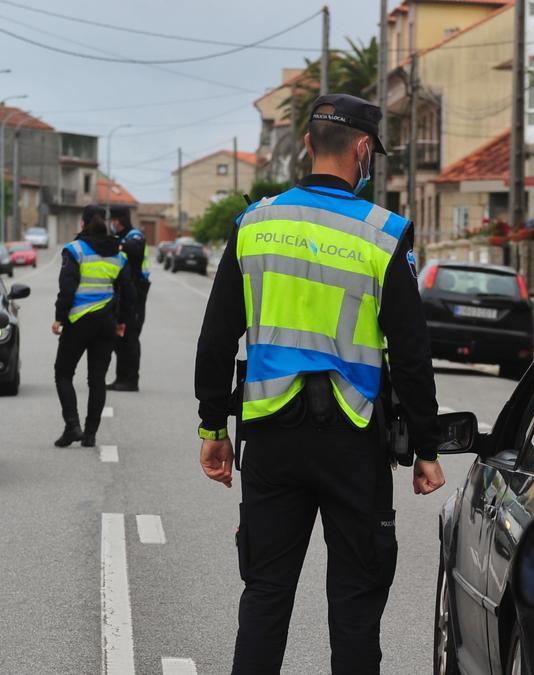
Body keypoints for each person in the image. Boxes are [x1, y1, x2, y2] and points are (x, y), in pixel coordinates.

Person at [194, 93, 447, 674]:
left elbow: (215, 340)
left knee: (264, 596)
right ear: (363, 148)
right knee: (356, 606)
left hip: (271, 439)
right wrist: (427, 448)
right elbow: (411, 354)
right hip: (353, 441)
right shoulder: (385, 235)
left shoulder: (254, 224)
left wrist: (213, 426)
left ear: (308, 145)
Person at [52, 205, 134, 447]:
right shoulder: (118, 254)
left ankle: (72, 425)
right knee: (97, 379)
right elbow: (128, 293)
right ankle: (90, 434)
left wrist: (59, 317)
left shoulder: (75, 250)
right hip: (106, 324)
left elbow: (67, 288)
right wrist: (122, 322)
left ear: (82, 224)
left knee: (63, 373)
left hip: (78, 322)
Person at [106, 205, 150, 392]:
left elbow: (135, 249)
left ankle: (131, 380)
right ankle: (121, 378)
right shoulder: (118, 238)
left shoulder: (134, 236)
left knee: (130, 337)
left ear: (120, 220)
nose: (111, 224)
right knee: (120, 338)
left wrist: (117, 245)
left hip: (136, 294)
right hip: (121, 294)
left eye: (114, 220)